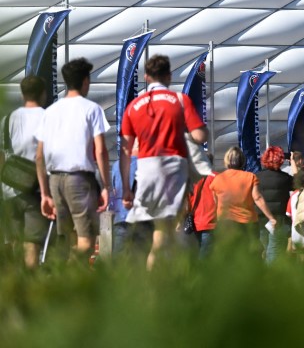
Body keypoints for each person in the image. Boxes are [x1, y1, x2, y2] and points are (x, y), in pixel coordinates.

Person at [120, 54, 208, 269]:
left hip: (146, 170)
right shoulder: (179, 100)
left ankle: (149, 280)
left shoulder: (133, 106)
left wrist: (125, 189)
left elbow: (125, 150)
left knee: (155, 231)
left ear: (147, 77)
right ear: (168, 76)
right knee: (166, 232)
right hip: (172, 170)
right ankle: (165, 282)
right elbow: (199, 137)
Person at [34, 58, 112, 262]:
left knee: (69, 241)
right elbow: (101, 150)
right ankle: (62, 278)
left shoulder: (50, 112)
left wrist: (44, 193)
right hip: (79, 180)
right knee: (86, 242)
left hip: (55, 181)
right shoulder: (91, 109)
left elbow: (39, 155)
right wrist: (106, 186)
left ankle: (73, 288)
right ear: (85, 81)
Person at [6, 76, 47, 267]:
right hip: (36, 190)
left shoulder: (7, 120)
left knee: (14, 241)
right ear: (43, 94)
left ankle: (15, 283)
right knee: (32, 242)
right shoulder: (46, 117)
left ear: (22, 94)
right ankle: (30, 285)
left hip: (8, 190)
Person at [210, 147, 278, 255]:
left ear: (226, 160)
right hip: (247, 223)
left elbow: (214, 202)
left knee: (228, 256)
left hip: (225, 224)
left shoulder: (218, 179)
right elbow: (257, 198)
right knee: (249, 255)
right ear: (242, 160)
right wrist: (271, 218)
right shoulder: (250, 177)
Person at [256, 145, 294, 263]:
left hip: (261, 217)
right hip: (278, 218)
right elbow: (299, 183)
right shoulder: (285, 178)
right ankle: (271, 276)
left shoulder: (257, 176)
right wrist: (292, 162)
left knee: (267, 247)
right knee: (274, 249)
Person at [188, 161, 216, 259]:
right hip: (210, 222)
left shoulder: (192, 179)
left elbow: (187, 200)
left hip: (195, 222)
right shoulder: (216, 177)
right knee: (205, 256)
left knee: (200, 251)